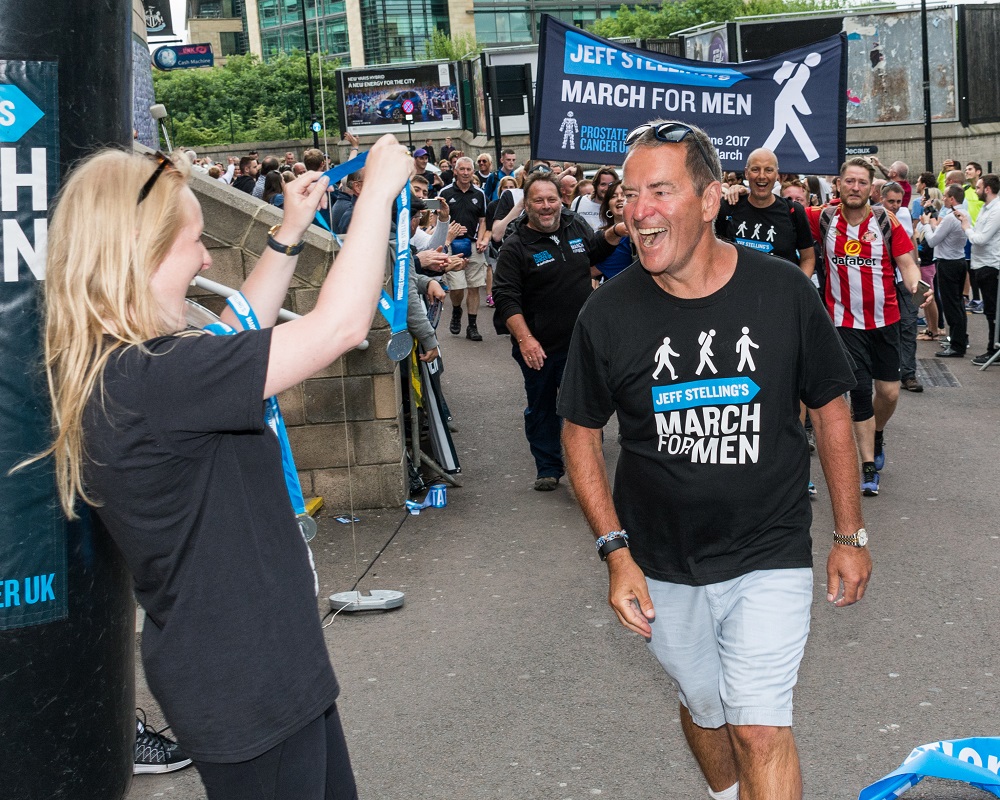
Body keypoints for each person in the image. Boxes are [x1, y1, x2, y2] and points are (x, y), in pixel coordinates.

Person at [25, 136, 413, 799]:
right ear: (140, 253)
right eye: (195, 243)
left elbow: (239, 331)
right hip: (247, 685)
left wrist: (289, 233)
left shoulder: (138, 368)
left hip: (268, 668)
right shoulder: (155, 378)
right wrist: (376, 192)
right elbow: (340, 327)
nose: (208, 257)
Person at [558, 119, 870, 800]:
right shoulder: (606, 314)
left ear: (708, 201)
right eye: (631, 194)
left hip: (771, 547)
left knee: (759, 724)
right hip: (662, 560)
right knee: (707, 704)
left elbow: (832, 409)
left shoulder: (784, 291)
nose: (638, 210)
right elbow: (579, 430)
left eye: (660, 191)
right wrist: (616, 553)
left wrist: (849, 534)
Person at [492, 169, 623, 491]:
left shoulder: (573, 224)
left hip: (580, 340)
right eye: (539, 200)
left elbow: (593, 249)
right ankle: (548, 466)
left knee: (582, 404)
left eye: (552, 199)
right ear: (527, 204)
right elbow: (506, 299)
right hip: (539, 346)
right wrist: (526, 340)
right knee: (543, 407)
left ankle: (586, 461)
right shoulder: (515, 247)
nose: (547, 206)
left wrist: (617, 231)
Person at [811, 157, 922, 496]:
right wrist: (737, 191)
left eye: (861, 182)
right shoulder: (823, 218)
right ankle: (868, 466)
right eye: (849, 181)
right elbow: (780, 210)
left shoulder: (885, 222)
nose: (855, 187)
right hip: (844, 324)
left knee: (888, 393)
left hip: (885, 322)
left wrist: (917, 285)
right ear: (839, 185)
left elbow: (908, 264)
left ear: (870, 188)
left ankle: (877, 432)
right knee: (859, 391)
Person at [716, 148, 815, 278]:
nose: (762, 176)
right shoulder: (729, 206)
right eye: (755, 169)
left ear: (776, 175)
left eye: (768, 170)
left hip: (780, 295)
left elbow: (808, 258)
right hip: (736, 295)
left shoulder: (793, 211)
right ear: (746, 173)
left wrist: (799, 290)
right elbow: (713, 252)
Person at [439, 156, 490, 341]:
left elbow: (483, 220)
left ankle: (472, 326)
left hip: (474, 244)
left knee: (474, 286)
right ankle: (456, 309)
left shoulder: (479, 194)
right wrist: (448, 233)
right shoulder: (445, 192)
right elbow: (437, 219)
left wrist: (482, 239)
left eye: (469, 169)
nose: (466, 173)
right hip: (452, 245)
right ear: (455, 171)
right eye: (462, 169)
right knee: (457, 287)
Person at [954, 173, 1000, 364]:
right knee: (991, 310)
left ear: (987, 189)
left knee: (992, 311)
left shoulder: (996, 210)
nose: (976, 190)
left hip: (991, 265)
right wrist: (967, 222)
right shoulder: (986, 208)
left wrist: (965, 226)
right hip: (981, 264)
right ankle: (993, 348)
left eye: (979, 187)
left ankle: (993, 349)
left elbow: (980, 239)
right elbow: (978, 233)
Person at [924, 185, 971, 356]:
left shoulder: (952, 218)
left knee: (951, 305)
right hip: (959, 260)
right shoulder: (964, 214)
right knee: (958, 303)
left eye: (945, 196)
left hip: (948, 263)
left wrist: (927, 225)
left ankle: (957, 345)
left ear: (952, 199)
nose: (942, 198)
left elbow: (932, 241)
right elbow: (944, 234)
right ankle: (960, 338)